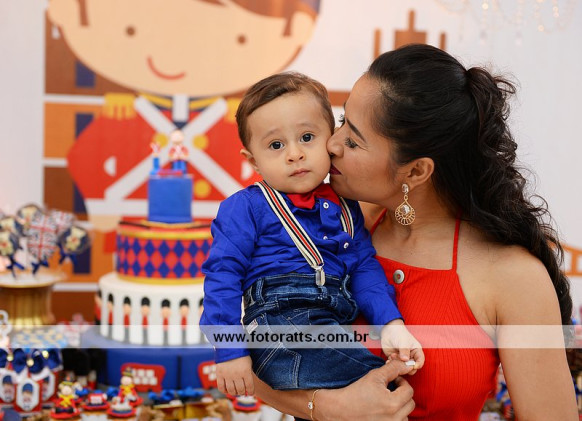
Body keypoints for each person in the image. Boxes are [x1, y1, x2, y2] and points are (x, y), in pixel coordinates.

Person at [252, 44, 577, 421]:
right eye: (341, 121)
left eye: (353, 140)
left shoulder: (513, 277)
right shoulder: (330, 224)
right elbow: (247, 355)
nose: (332, 144)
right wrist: (326, 407)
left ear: (416, 171)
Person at [200, 72, 424, 400]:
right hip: (280, 325)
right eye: (276, 145)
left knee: (372, 375)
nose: (294, 154)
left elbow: (364, 268)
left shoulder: (347, 206)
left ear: (330, 140)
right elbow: (223, 278)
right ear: (253, 162)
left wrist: (391, 324)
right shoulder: (245, 207)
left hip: (332, 323)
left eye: (307, 137)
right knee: (382, 387)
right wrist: (229, 350)